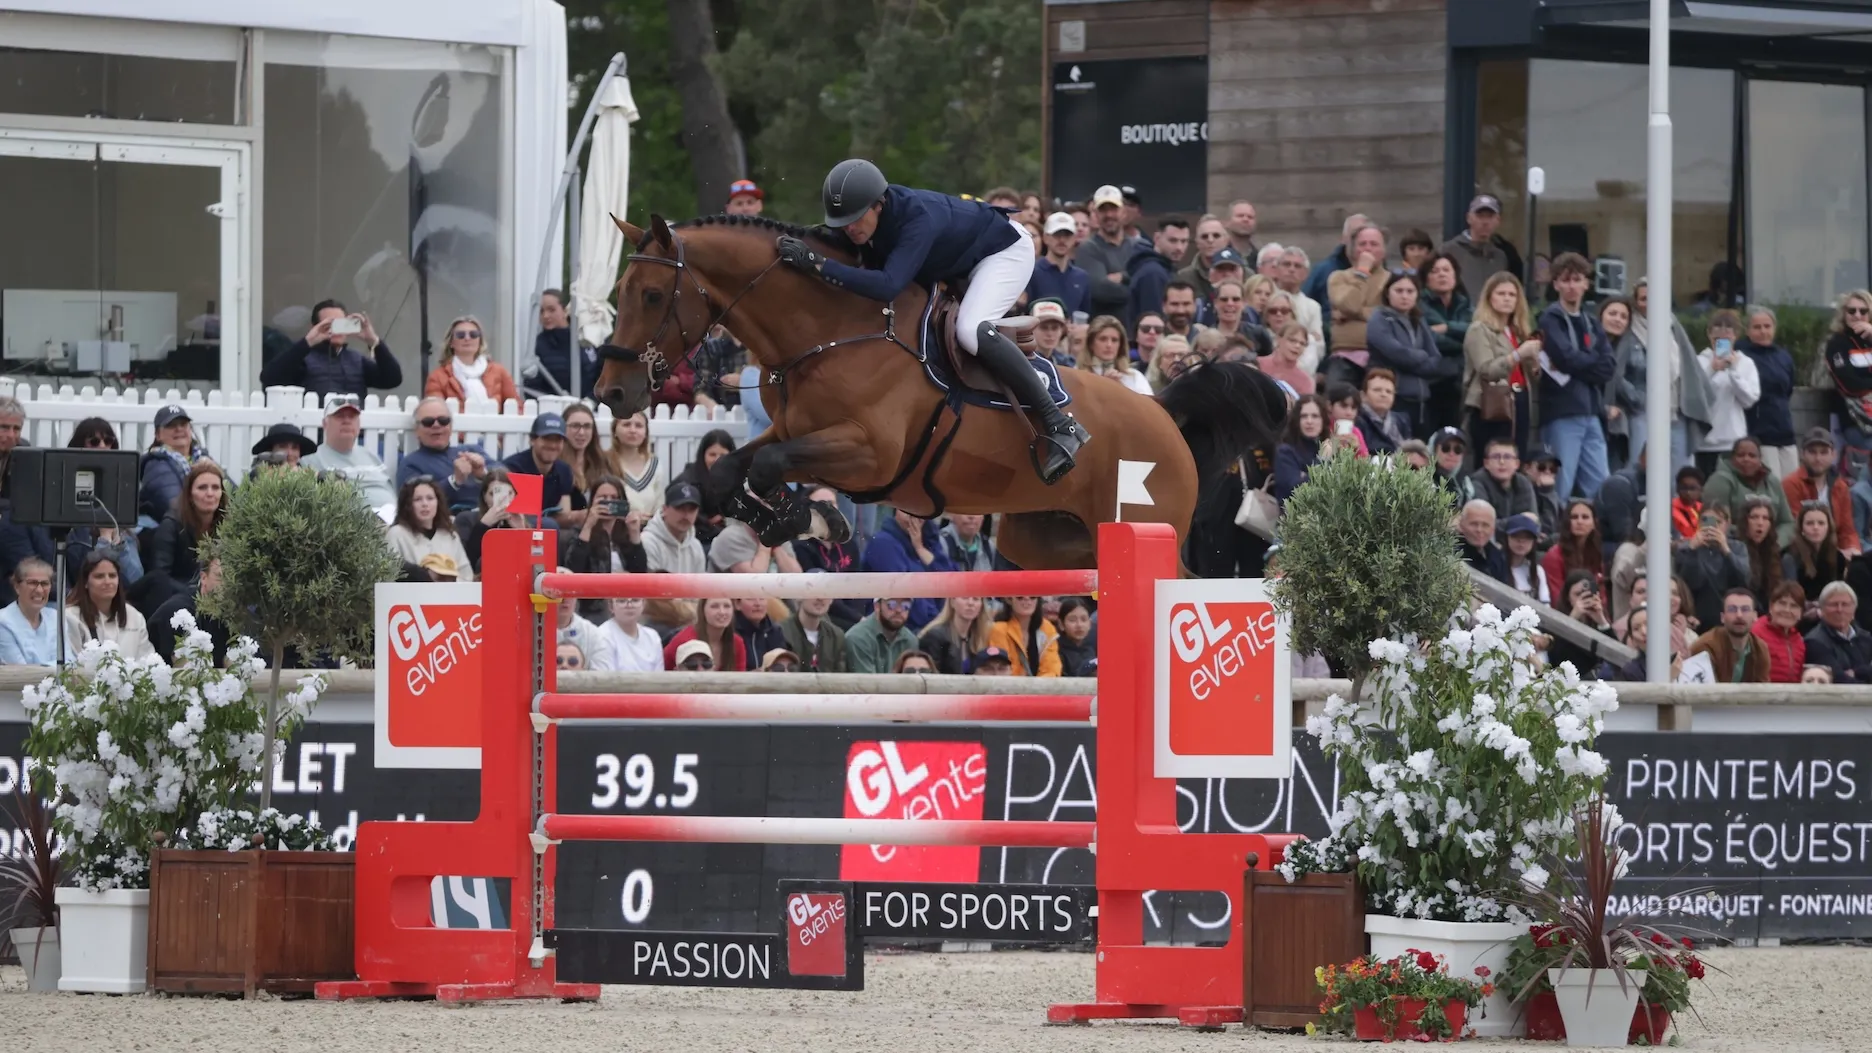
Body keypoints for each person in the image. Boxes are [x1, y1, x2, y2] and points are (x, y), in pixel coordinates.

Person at [779, 159, 1090, 481]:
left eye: (855, 219)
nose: (849, 228)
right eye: (842, 222)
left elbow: (887, 285)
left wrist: (819, 266)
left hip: (1003, 253)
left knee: (971, 330)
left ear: (878, 205)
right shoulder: (870, 219)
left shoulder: (917, 219)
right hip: (959, 259)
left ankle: (1059, 422)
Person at [1537, 253, 1616, 501]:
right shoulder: (1550, 318)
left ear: (1586, 284)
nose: (1571, 286)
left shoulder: (1592, 322)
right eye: (1565, 280)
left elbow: (1609, 367)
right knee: (1560, 483)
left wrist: (1582, 364)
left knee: (1600, 485)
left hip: (1593, 412)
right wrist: (1589, 361)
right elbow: (1564, 358)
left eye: (1577, 279)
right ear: (1556, 284)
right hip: (1563, 412)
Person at [1363, 270, 1455, 441]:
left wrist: (1417, 361)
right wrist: (1421, 356)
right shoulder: (1379, 318)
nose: (1404, 296)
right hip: (1394, 398)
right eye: (1399, 291)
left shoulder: (1419, 321)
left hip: (1421, 401)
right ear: (1387, 293)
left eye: (1410, 291)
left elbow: (1435, 357)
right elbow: (1397, 353)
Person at [258, 298, 403, 400]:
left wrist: (373, 340)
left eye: (341, 324)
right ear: (315, 327)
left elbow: (392, 379)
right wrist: (308, 342)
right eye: (329, 325)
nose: (336, 330)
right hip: (315, 433)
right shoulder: (304, 359)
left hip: (353, 434)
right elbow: (269, 378)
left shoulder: (356, 360)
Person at [1463, 271, 1541, 456]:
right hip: (1492, 404)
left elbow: (1529, 374)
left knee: (1517, 458)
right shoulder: (1479, 329)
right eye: (1501, 294)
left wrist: (1535, 364)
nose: (1507, 299)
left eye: (1512, 295)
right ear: (1489, 298)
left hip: (1520, 400)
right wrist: (1518, 354)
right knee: (1492, 458)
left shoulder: (1519, 332)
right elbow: (1486, 369)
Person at [141, 462, 226, 618]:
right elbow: (160, 577)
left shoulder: (228, 526)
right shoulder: (171, 525)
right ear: (189, 494)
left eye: (215, 487)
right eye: (202, 488)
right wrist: (198, 591)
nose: (210, 493)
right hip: (176, 600)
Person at [562, 477, 649, 617]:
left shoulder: (625, 533)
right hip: (592, 609)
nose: (609, 502)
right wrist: (588, 525)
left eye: (614, 497)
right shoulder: (580, 532)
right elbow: (572, 570)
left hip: (626, 605)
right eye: (603, 498)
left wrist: (634, 534)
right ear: (593, 501)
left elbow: (640, 572)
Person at [860, 506, 957, 631]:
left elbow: (950, 582)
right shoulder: (883, 543)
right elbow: (905, 593)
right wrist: (939, 621)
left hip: (935, 623)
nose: (915, 515)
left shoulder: (929, 539)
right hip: (900, 627)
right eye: (908, 510)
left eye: (922, 510)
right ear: (897, 510)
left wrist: (920, 549)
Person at [395, 397, 490, 512]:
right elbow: (413, 502)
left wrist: (483, 474)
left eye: (443, 420)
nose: (436, 425)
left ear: (450, 426)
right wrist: (454, 481)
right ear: (417, 430)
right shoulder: (410, 464)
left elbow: (506, 477)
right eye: (428, 422)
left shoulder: (472, 450)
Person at [303, 394, 396, 510]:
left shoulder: (372, 456)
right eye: (339, 416)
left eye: (352, 417)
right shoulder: (311, 461)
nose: (346, 421)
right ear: (325, 424)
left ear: (359, 424)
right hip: (359, 524)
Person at [1324, 224, 1390, 388]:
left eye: (1374, 244)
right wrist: (1362, 272)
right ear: (1352, 250)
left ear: (1384, 250)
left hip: (1382, 357)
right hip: (1343, 356)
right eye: (1362, 244)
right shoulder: (1338, 277)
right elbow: (1350, 304)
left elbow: (1390, 316)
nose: (1367, 249)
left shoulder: (1393, 280)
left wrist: (1352, 314)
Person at [1696, 310, 1761, 471]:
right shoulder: (1699, 361)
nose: (1720, 343)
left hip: (1733, 441)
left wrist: (1733, 371)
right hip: (1704, 441)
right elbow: (1694, 395)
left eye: (1726, 339)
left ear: (1736, 336)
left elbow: (1749, 400)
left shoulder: (1745, 363)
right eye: (1716, 339)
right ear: (1709, 334)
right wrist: (1712, 369)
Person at [1782, 428, 1862, 557]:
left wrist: (1853, 549)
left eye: (1824, 452)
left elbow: (1847, 529)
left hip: (1836, 552)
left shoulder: (1841, 486)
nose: (1818, 458)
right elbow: (1795, 527)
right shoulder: (1791, 483)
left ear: (1833, 455)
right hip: (1802, 553)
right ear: (1802, 454)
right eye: (1812, 452)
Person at [1704, 437, 1795, 548]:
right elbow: (1715, 522)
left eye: (1752, 456)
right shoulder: (1719, 480)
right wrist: (1750, 536)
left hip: (1771, 548)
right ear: (1732, 458)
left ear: (1760, 459)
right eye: (1741, 455)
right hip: (1732, 546)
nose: (1746, 459)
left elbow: (1788, 523)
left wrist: (1775, 544)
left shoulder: (1772, 481)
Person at [60, 550, 152, 659]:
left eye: (112, 576)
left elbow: (147, 661)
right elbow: (71, 667)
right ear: (85, 582)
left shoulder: (135, 616)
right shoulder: (70, 617)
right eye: (99, 576)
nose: (107, 582)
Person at [1675, 505, 1750, 631]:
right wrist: (1692, 550)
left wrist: (1726, 551)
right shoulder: (1686, 549)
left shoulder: (1737, 547)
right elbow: (1690, 583)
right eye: (1705, 521)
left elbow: (1744, 579)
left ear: (1727, 524)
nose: (1711, 526)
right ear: (1698, 523)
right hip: (1697, 616)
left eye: (1718, 522)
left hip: (1729, 615)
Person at [387, 477, 475, 583]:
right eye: (417, 499)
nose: (425, 504)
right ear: (407, 505)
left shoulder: (450, 536)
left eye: (430, 498)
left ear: (438, 502)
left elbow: (466, 576)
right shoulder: (396, 534)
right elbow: (388, 572)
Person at [500, 412, 582, 523]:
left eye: (557, 440)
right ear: (532, 440)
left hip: (546, 528)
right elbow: (513, 518)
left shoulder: (564, 470)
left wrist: (583, 515)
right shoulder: (514, 468)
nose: (553, 445)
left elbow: (564, 516)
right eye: (547, 438)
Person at [1824, 289, 1872, 474]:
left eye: (1863, 311)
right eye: (1852, 311)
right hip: (1855, 419)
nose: (1857, 315)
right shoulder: (1837, 343)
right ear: (1844, 314)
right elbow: (1847, 381)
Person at [150, 556, 230, 667]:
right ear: (203, 578)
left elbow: (233, 663)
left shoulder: (232, 612)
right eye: (220, 576)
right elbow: (185, 673)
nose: (227, 584)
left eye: (232, 577)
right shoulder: (179, 613)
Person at [138, 403, 208, 527]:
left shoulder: (203, 458)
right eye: (171, 425)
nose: (179, 429)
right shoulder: (155, 465)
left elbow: (233, 492)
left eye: (183, 424)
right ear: (158, 435)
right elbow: (173, 507)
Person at [424, 314, 518, 406]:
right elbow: (434, 413)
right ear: (451, 342)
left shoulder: (499, 372)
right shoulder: (437, 377)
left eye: (473, 334)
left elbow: (517, 407)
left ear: (480, 341)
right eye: (460, 335)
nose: (467, 338)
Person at [1683, 587, 1770, 683]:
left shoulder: (1761, 648)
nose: (1739, 615)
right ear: (1722, 617)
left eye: (1745, 609)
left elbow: (1762, 690)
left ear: (1755, 616)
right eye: (1732, 609)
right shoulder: (1706, 647)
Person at [523, 289, 597, 400]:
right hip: (553, 408)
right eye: (541, 311)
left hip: (591, 409)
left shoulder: (585, 338)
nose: (545, 316)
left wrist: (591, 400)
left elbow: (598, 374)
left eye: (551, 310)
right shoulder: (538, 344)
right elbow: (531, 385)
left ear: (565, 310)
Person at [1598, 297, 1645, 471]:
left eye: (1623, 316)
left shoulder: (1627, 348)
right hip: (1592, 415)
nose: (1618, 319)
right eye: (1612, 313)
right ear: (1601, 315)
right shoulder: (1591, 343)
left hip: (1617, 423)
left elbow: (1635, 394)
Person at [1439, 195, 1509, 300]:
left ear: (1498, 220)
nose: (1485, 222)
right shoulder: (1448, 251)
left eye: (1490, 216)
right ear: (1469, 218)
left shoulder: (1500, 257)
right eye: (1480, 216)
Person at [456, 468, 526, 573]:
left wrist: (521, 530)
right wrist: (483, 525)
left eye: (508, 493)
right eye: (493, 494)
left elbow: (529, 562)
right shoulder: (466, 519)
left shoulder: (521, 520)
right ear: (484, 496)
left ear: (515, 495)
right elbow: (466, 563)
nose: (500, 499)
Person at [0, 559, 69, 666]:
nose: (40, 590)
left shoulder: (56, 618)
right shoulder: (3, 622)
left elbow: (69, 662)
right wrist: (55, 668)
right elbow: (20, 670)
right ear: (17, 586)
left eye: (45, 583)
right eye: (32, 583)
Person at [1548, 569, 1614, 678]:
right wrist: (1572, 620)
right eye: (1578, 594)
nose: (1583, 598)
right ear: (1568, 598)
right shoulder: (1557, 622)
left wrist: (1602, 621)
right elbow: (1556, 656)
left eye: (1587, 594)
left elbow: (1614, 657)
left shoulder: (1601, 622)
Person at [1803, 581, 1872, 685]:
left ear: (1854, 609)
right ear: (1821, 610)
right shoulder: (1815, 642)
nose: (1840, 610)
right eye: (1833, 604)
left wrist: (1857, 672)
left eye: (1845, 604)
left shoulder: (1865, 637)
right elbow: (1840, 680)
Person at [602, 411, 667, 519]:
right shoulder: (605, 462)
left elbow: (660, 506)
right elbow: (601, 505)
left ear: (645, 433)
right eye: (626, 425)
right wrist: (629, 515)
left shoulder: (655, 464)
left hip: (648, 531)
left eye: (639, 426)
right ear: (615, 431)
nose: (633, 430)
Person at [1784, 502, 1847, 612]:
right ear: (1801, 528)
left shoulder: (1838, 557)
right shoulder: (1790, 557)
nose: (1816, 527)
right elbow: (1791, 595)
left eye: (1821, 523)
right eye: (1810, 523)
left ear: (1828, 527)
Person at [1123, 218, 1186, 327]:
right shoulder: (1153, 274)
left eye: (1184, 241)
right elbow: (1154, 322)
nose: (1179, 247)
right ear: (1157, 238)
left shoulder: (1163, 269)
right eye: (1173, 241)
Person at [1027, 212, 1092, 318]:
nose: (1062, 240)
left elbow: (1085, 315)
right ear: (1045, 238)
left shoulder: (1082, 277)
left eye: (1067, 235)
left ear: (1074, 238)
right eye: (1057, 235)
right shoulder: (1032, 273)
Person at [1542, 499, 1606, 602]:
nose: (1579, 522)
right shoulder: (1554, 556)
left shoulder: (1596, 553)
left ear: (1594, 523)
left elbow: (1601, 595)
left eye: (1585, 517)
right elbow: (1556, 598)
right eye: (1574, 517)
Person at [1273, 394, 1330, 503]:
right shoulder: (1286, 452)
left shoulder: (1329, 447)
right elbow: (1296, 489)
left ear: (1323, 420)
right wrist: (1322, 461)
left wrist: (1305, 476)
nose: (1309, 421)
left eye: (1315, 416)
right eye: (1304, 416)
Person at [663, 597, 745, 672]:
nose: (722, 612)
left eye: (727, 606)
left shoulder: (737, 642)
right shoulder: (684, 640)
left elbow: (740, 680)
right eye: (714, 606)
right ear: (702, 610)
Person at [642, 481, 706, 574]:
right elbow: (651, 587)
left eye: (691, 509)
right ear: (665, 509)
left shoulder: (696, 546)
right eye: (680, 508)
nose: (686, 515)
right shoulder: (648, 542)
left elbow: (700, 587)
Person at [987, 596, 1061, 677]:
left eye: (1032, 597)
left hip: (1041, 687)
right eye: (1020, 597)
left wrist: (1039, 686)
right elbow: (1002, 667)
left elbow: (1052, 668)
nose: (1027, 600)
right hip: (1009, 687)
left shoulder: (1047, 628)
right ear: (1009, 600)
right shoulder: (998, 629)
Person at [1469, 438, 1538, 523]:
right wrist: (1519, 521)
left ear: (1517, 464)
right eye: (1496, 457)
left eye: (1507, 457)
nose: (1501, 462)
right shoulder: (1477, 482)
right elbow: (1483, 525)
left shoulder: (1523, 483)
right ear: (1486, 463)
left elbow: (1533, 522)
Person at [1078, 315, 1152, 394]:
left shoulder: (1135, 377)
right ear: (1091, 344)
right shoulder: (1077, 375)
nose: (1109, 345)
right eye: (1103, 339)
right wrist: (1103, 386)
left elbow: (1148, 405)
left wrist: (1119, 388)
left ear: (1120, 345)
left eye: (1114, 340)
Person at [845, 597, 919, 674]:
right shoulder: (857, 638)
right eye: (892, 604)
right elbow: (867, 683)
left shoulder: (910, 640)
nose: (899, 610)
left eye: (905, 606)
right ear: (877, 606)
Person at [919, 596, 991, 675]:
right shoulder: (935, 636)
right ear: (952, 602)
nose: (970, 603)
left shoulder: (979, 637)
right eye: (965, 598)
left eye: (976, 599)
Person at [1753, 581, 1808, 684]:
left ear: (1801, 613)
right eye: (1782, 603)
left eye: (1794, 606)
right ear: (1771, 607)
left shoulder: (1798, 639)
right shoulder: (1755, 633)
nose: (1787, 610)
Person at [779, 593, 848, 672]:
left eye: (826, 592)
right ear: (799, 596)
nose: (820, 598)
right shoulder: (781, 632)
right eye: (814, 592)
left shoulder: (836, 636)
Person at [1736, 494, 1783, 605]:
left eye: (1765, 518)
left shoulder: (1773, 550)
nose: (1760, 523)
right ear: (1745, 521)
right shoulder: (1735, 548)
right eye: (1754, 517)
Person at [597, 598, 665, 673]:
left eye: (635, 600)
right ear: (611, 606)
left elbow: (659, 676)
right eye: (622, 601)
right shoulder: (602, 635)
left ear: (643, 604)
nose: (629, 605)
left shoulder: (652, 637)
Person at [1354, 368, 1411, 455]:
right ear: (1363, 395)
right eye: (1377, 390)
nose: (1383, 394)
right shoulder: (1357, 419)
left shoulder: (1402, 420)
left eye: (1389, 392)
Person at [560, 403, 609, 503]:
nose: (581, 432)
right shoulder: (556, 464)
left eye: (587, 426)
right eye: (575, 426)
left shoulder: (602, 461)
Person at [1501, 513, 1550, 605]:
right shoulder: (1497, 567)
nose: (1521, 541)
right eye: (1515, 536)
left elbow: (1546, 606)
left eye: (1527, 537)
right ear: (1506, 538)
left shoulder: (1538, 571)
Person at [730, 597, 787, 672]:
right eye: (750, 599)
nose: (758, 604)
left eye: (762, 598)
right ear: (737, 604)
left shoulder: (775, 631)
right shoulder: (730, 632)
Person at [1258, 323, 1315, 396]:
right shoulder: (1258, 364)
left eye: (1302, 343)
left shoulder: (1305, 381)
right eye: (1292, 340)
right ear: (1278, 339)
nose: (1297, 346)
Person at [1457, 500, 1508, 583]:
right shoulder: (1450, 552)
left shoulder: (1498, 557)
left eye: (1485, 525)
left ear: (1493, 529)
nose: (1479, 530)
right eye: (1473, 524)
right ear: (1461, 524)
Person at [1055, 597, 1096, 677]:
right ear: (1061, 624)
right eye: (1072, 620)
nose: (1079, 625)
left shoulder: (1090, 648)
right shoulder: (1056, 650)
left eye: (1084, 619)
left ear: (1090, 624)